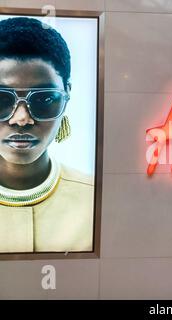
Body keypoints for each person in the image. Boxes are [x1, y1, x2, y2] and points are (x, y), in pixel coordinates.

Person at [0, 17, 94, 253]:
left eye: (43, 99)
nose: (21, 119)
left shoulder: (98, 201)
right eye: (1, 99)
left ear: (67, 94)